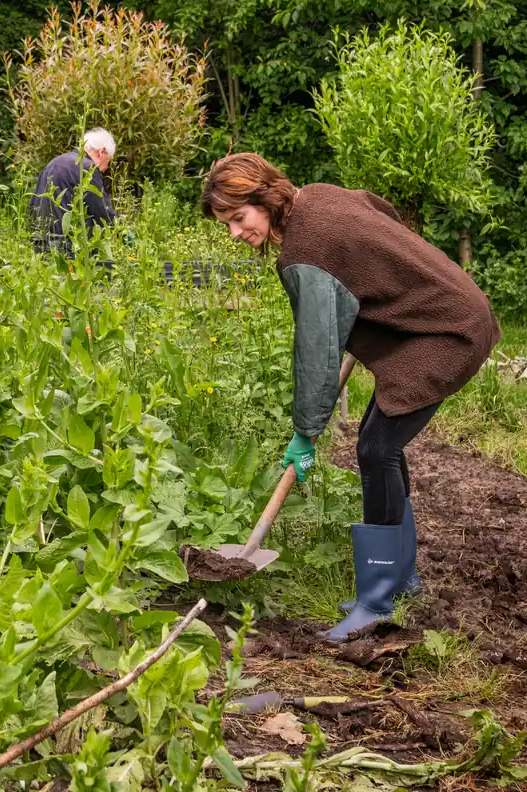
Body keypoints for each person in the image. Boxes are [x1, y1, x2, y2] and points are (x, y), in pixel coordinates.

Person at [200, 153, 500, 643]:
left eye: (238, 218)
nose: (235, 233)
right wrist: (373, 278)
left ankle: (377, 601)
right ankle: (401, 580)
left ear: (266, 200)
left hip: (446, 332)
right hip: (446, 314)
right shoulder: (317, 197)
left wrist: (305, 431)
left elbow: (316, 352)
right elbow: (381, 211)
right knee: (378, 442)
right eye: (227, 224)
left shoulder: (304, 252)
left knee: (376, 448)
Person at [29, 128, 119, 253]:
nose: (105, 168)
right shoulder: (87, 167)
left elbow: (33, 203)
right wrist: (121, 230)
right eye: (108, 161)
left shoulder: (54, 163)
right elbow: (100, 211)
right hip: (66, 245)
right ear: (101, 152)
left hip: (40, 241)